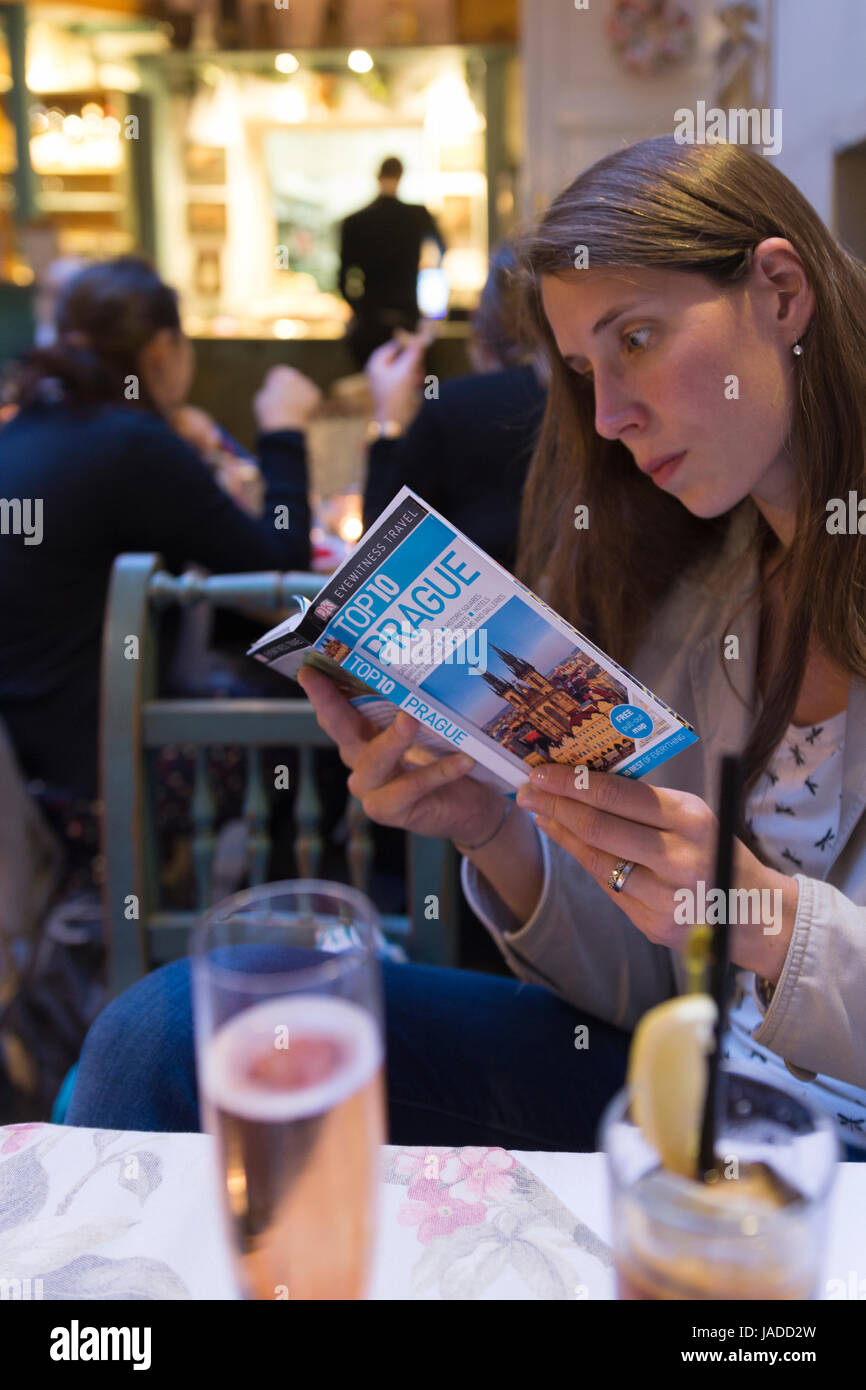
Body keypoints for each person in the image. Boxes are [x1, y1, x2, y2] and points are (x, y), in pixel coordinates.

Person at [66, 136, 866, 1162]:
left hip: (826, 1149)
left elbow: (739, 932)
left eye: (636, 337)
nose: (609, 415)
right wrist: (493, 828)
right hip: (683, 1089)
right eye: (580, 370)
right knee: (172, 1027)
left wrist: (763, 918)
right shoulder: (704, 594)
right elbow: (642, 986)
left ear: (779, 293)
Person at [0, 256, 319, 805]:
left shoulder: (25, 426)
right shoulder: (135, 446)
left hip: (25, 749)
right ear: (160, 351)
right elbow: (279, 581)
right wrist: (283, 430)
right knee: (315, 725)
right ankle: (285, 888)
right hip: (98, 773)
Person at [362, 244, 547, 573]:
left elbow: (379, 560)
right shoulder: (588, 395)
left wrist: (388, 422)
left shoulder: (453, 406)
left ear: (481, 323)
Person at [339, 156, 445, 368]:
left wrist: (359, 309)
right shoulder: (418, 216)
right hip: (408, 320)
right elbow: (442, 250)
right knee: (418, 388)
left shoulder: (354, 221)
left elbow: (342, 279)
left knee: (369, 390)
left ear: (378, 176)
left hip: (368, 325)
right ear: (400, 176)